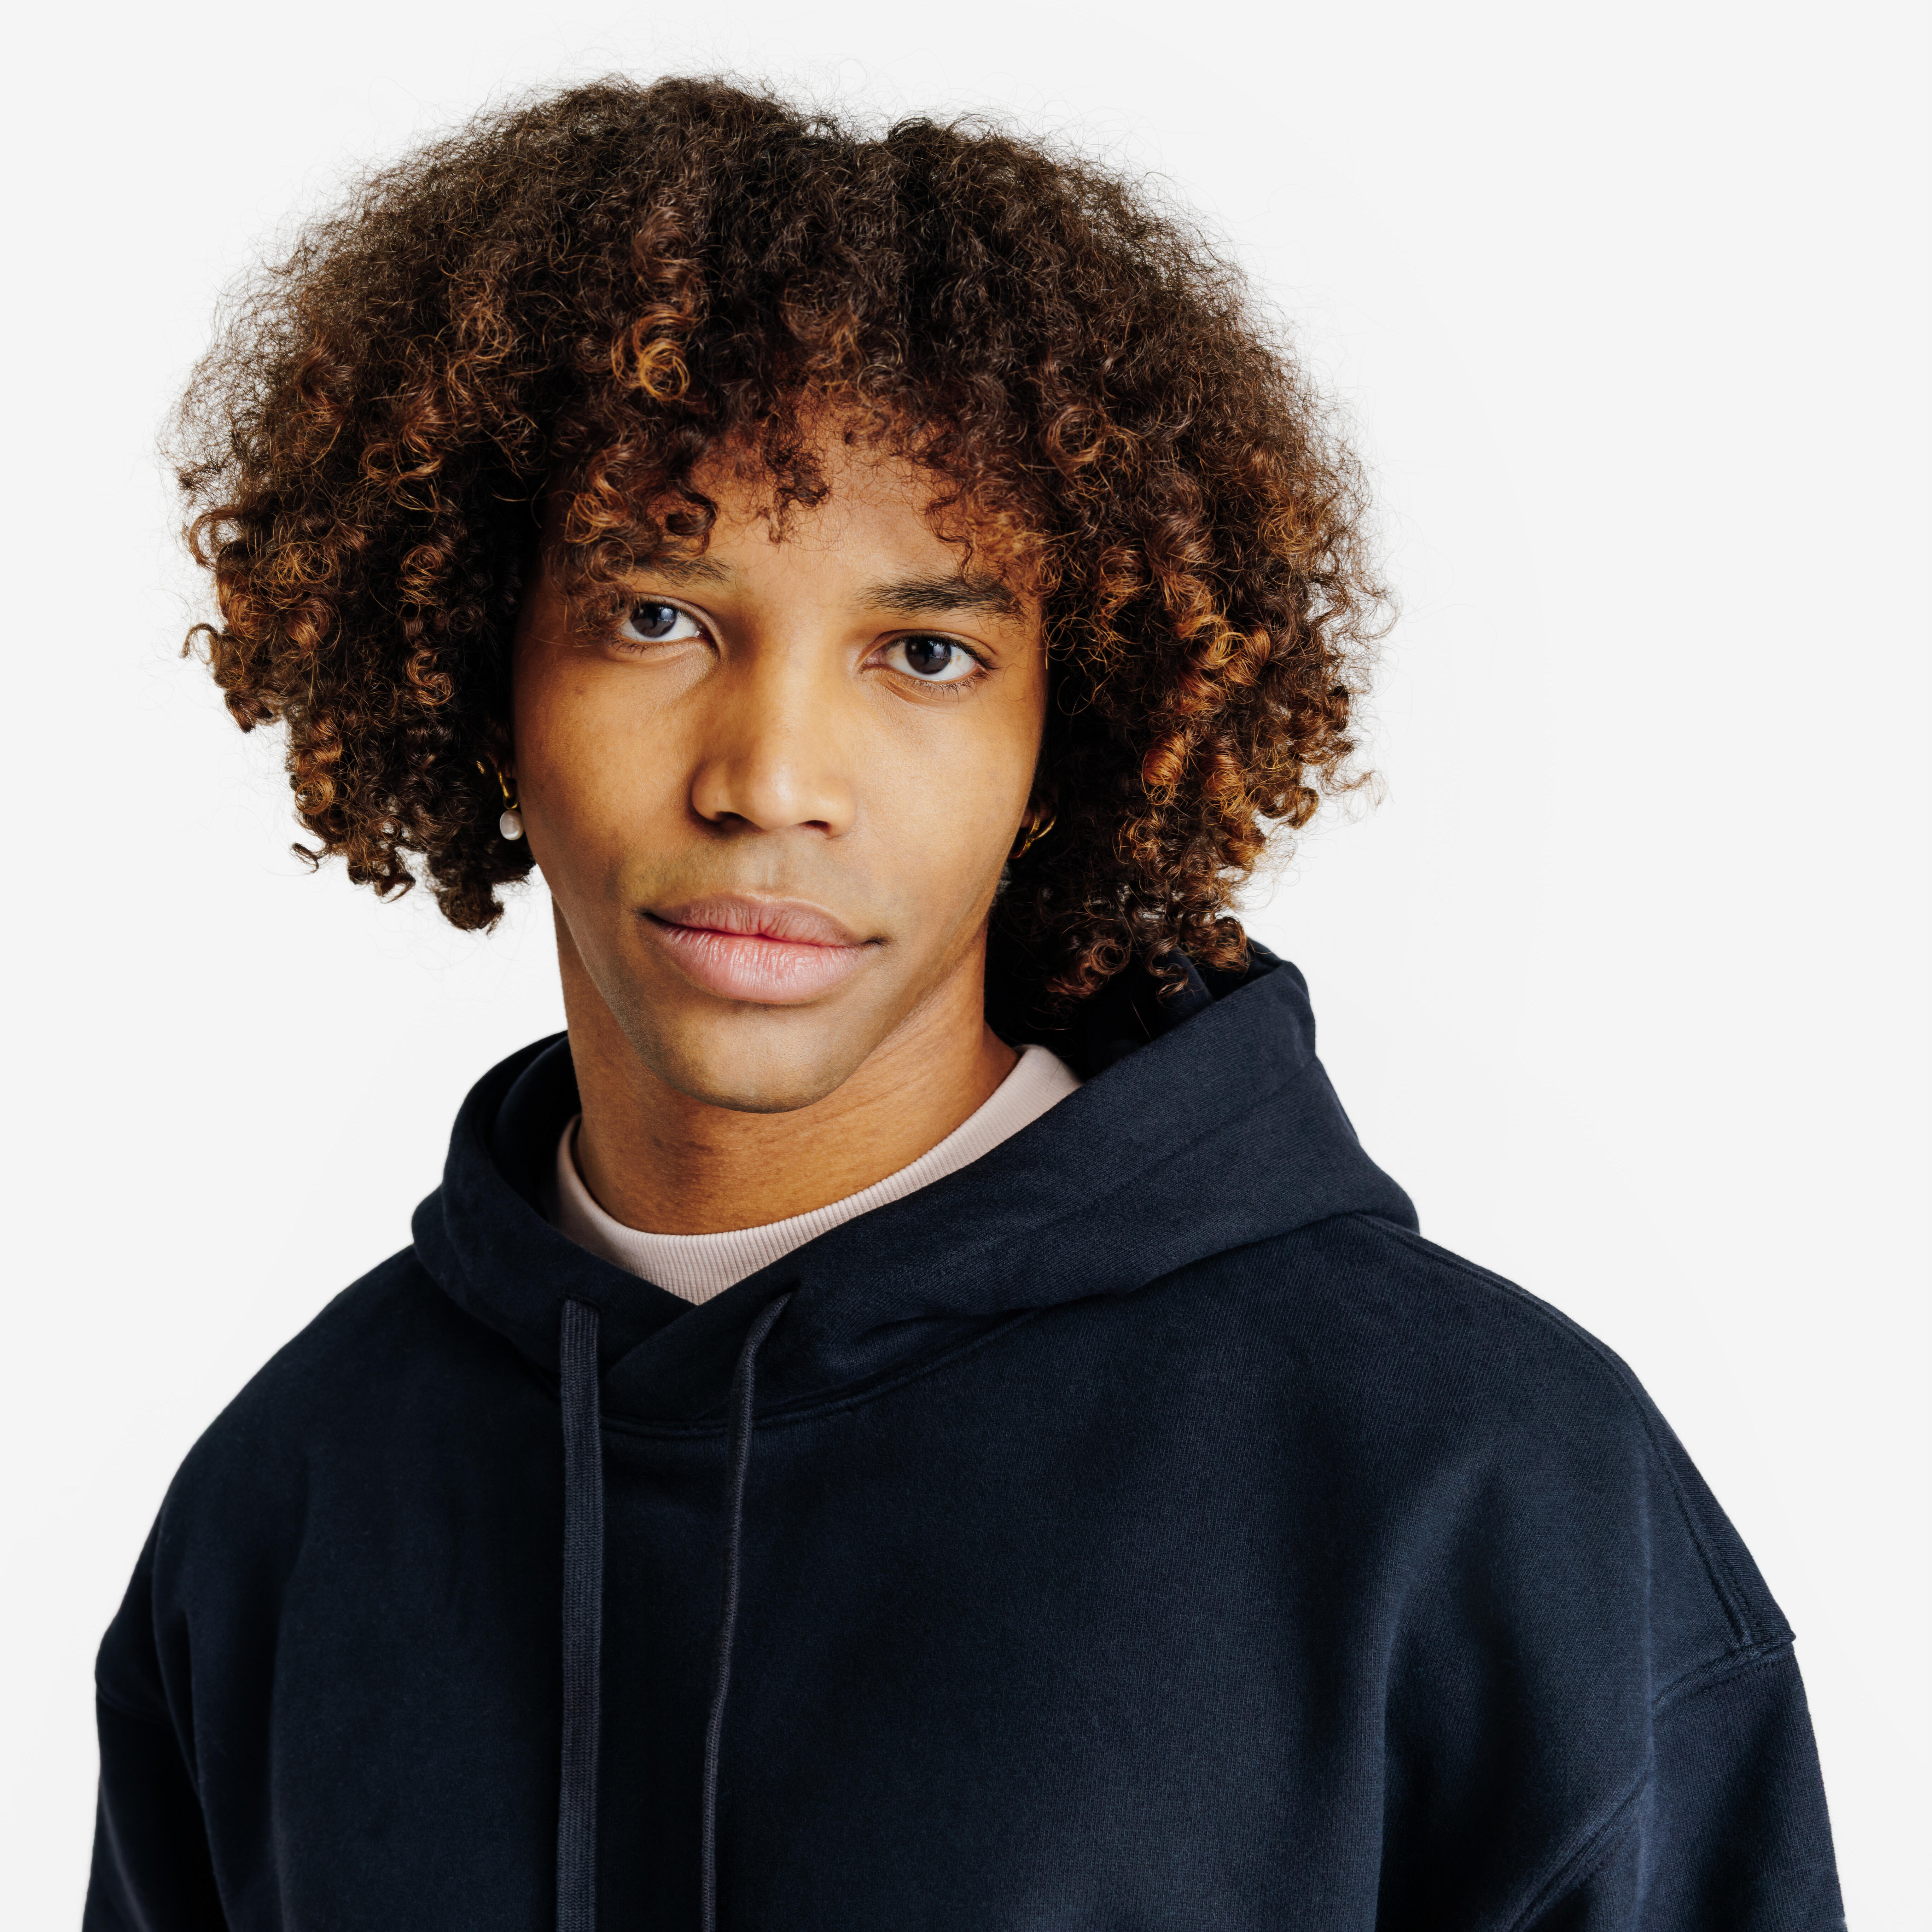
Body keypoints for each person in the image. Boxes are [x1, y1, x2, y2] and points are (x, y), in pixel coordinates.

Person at [87, 76, 1844, 1932]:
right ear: (472, 662)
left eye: (923, 653)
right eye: (658, 615)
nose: (773, 778)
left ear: (1063, 733)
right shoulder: (285, 1505)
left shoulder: (1481, 1487)